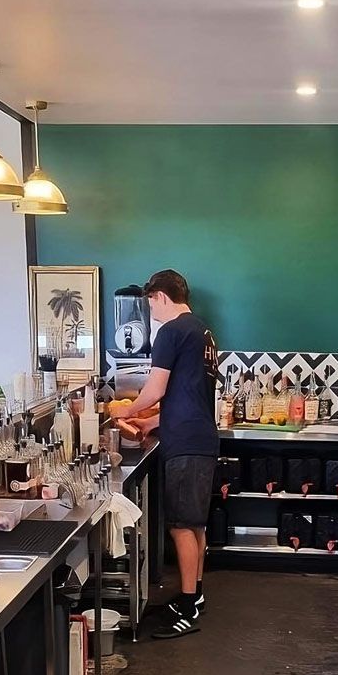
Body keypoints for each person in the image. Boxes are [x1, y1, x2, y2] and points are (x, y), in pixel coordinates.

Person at [112, 269, 219, 639]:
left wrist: (123, 411)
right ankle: (196, 594)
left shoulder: (170, 332)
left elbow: (155, 390)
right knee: (195, 524)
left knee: (181, 526)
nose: (150, 311)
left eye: (149, 302)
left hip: (187, 445)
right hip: (200, 436)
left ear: (159, 296)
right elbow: (186, 397)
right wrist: (152, 424)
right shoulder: (203, 331)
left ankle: (188, 609)